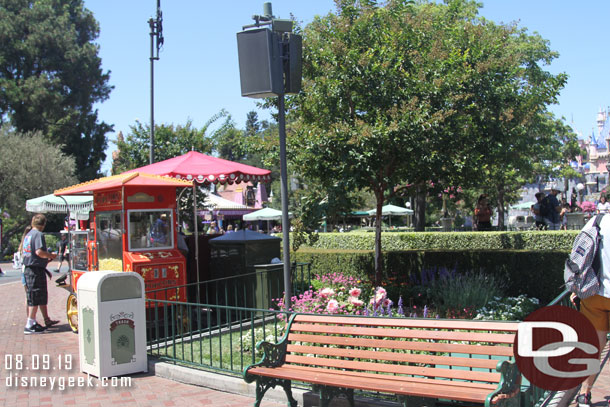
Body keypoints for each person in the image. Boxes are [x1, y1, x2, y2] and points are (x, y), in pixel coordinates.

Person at [575, 214, 610, 407]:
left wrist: (576, 287)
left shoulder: (597, 221)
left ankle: (584, 394)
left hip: (593, 292)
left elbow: (578, 254)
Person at [21, 214, 59, 334]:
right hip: (35, 269)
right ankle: (30, 324)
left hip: (29, 268)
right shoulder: (38, 234)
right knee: (36, 296)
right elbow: (39, 252)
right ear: (43, 225)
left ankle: (34, 322)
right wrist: (50, 255)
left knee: (35, 295)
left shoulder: (28, 234)